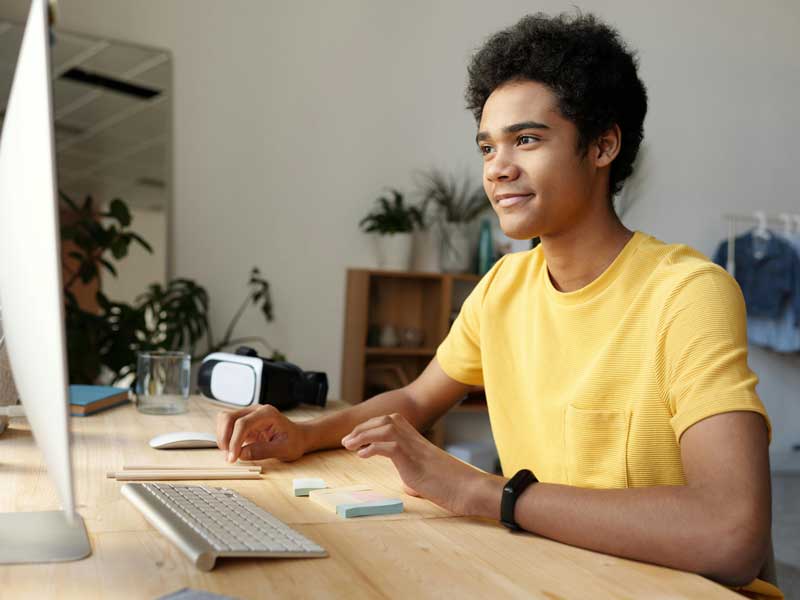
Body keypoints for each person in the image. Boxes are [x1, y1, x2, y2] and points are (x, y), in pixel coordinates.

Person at [216, 12, 782, 599]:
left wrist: (485, 492)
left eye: (527, 140)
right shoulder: (503, 286)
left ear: (603, 146)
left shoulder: (686, 292)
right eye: (488, 146)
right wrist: (306, 435)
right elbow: (415, 398)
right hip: (547, 576)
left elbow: (730, 533)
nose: (497, 168)